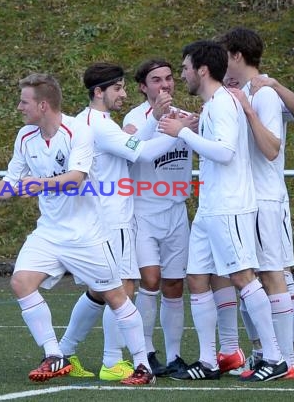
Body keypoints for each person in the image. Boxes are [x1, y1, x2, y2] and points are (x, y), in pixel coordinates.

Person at [0, 72, 155, 385]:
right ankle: (54, 355)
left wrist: (37, 184)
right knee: (21, 282)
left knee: (116, 295)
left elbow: (75, 178)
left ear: (43, 105)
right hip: (49, 232)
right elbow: (13, 178)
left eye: (24, 102)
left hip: (86, 234)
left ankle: (143, 367)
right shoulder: (25, 137)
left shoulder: (78, 131)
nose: (19, 107)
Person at [160, 40, 288, 382]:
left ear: (202, 70)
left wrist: (184, 133)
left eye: (185, 67)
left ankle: (276, 357)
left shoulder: (223, 104)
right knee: (197, 278)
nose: (182, 73)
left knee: (243, 277)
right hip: (210, 207)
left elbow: (225, 152)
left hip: (229, 207)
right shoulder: (216, 104)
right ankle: (209, 361)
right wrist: (190, 125)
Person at [57, 62, 190, 381]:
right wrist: (179, 132)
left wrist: (156, 121)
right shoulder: (99, 124)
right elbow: (141, 153)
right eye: (117, 88)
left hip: (102, 217)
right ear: (99, 92)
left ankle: (62, 353)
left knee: (100, 291)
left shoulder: (92, 120)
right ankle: (112, 361)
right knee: (122, 289)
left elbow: (131, 145)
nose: (124, 93)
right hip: (110, 218)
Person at [219, 27, 294, 379]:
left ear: (237, 56)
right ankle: (265, 354)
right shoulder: (244, 91)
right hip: (245, 200)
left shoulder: (263, 93)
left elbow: (272, 149)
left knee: (275, 275)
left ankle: (288, 359)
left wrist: (251, 107)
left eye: (223, 55)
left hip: (266, 199)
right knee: (248, 278)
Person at [122, 58, 196, 377]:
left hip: (176, 211)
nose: (164, 84)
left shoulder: (185, 117)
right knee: (149, 281)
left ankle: (175, 356)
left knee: (175, 285)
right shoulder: (134, 118)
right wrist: (163, 122)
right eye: (156, 80)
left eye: (168, 78)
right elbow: (135, 149)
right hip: (144, 210)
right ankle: (147, 352)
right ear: (143, 86)